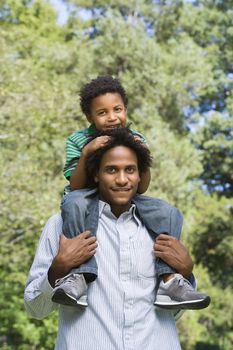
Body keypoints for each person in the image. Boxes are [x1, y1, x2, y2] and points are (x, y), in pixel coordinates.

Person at [25, 127, 199, 349]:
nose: (122, 179)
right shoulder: (62, 226)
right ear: (96, 174)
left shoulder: (161, 229)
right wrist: (58, 269)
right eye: (111, 170)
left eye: (130, 169)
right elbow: (35, 309)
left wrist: (185, 272)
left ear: (140, 174)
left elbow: (171, 314)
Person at [55, 76, 210, 310]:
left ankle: (169, 279)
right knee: (73, 202)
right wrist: (87, 154)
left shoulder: (135, 137)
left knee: (169, 211)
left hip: (128, 197)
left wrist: (143, 156)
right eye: (103, 113)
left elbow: (143, 186)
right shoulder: (78, 140)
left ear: (126, 109)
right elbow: (76, 186)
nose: (112, 117)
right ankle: (78, 276)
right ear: (90, 117)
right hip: (86, 195)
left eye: (117, 110)